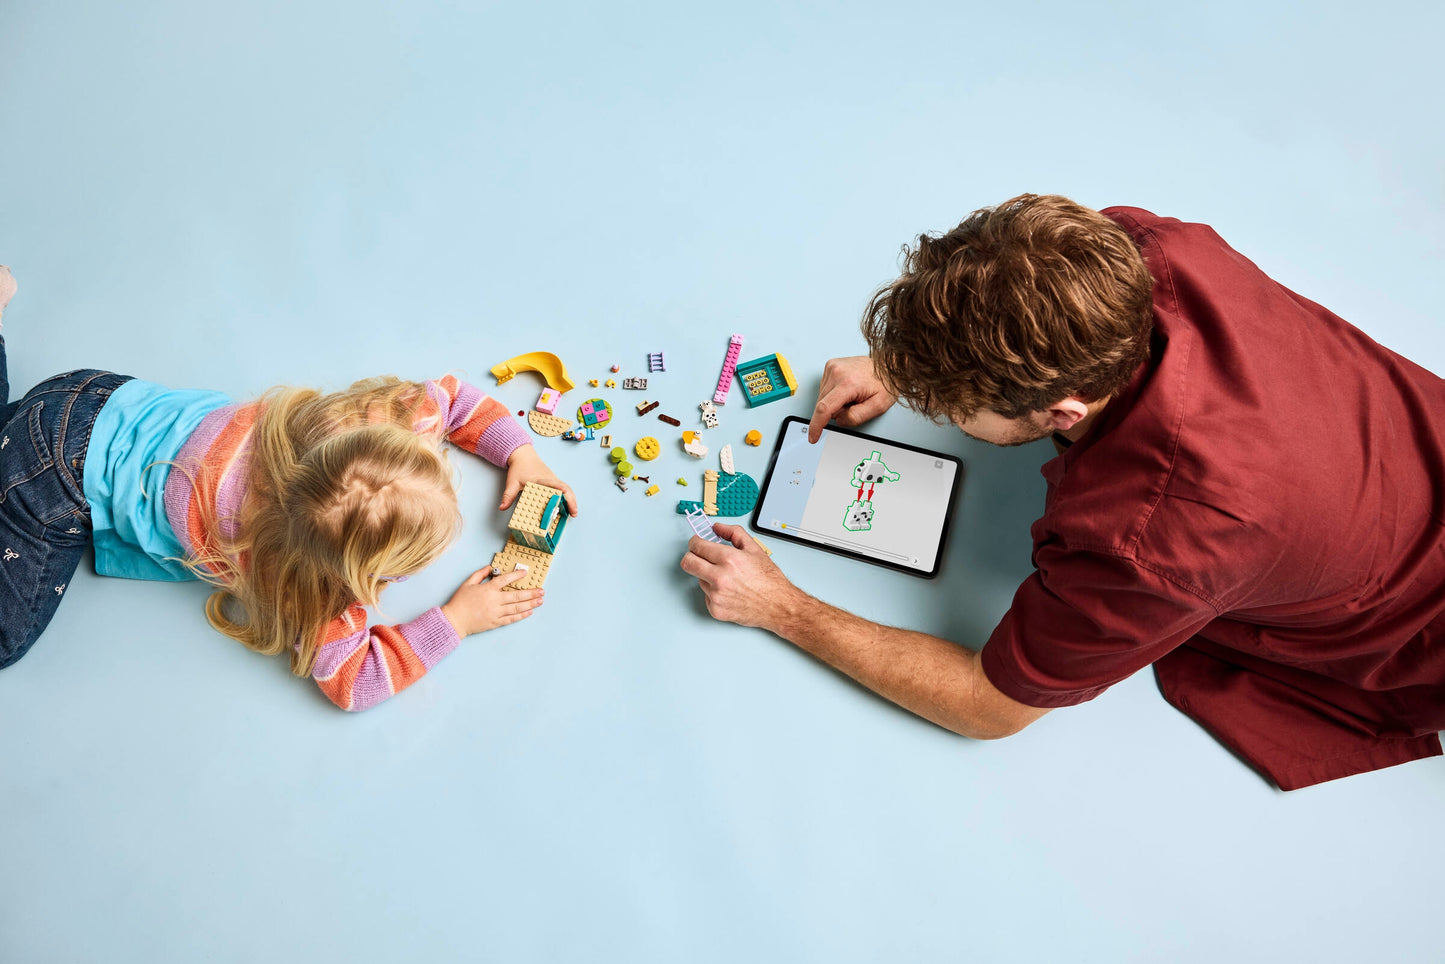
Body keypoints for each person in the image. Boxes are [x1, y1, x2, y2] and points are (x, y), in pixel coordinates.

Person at [681, 195, 1445, 790]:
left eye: (950, 407)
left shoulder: (1148, 545)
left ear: (1060, 412)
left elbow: (987, 705)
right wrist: (914, 360)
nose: (937, 413)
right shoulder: (1140, 247)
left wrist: (781, 608)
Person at [0, 265, 577, 710]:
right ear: (350, 571)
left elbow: (453, 399)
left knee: (12, 423)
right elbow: (355, 683)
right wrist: (456, 621)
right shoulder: (306, 587)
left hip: (87, 394)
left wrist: (520, 453)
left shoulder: (356, 426)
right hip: (50, 476)